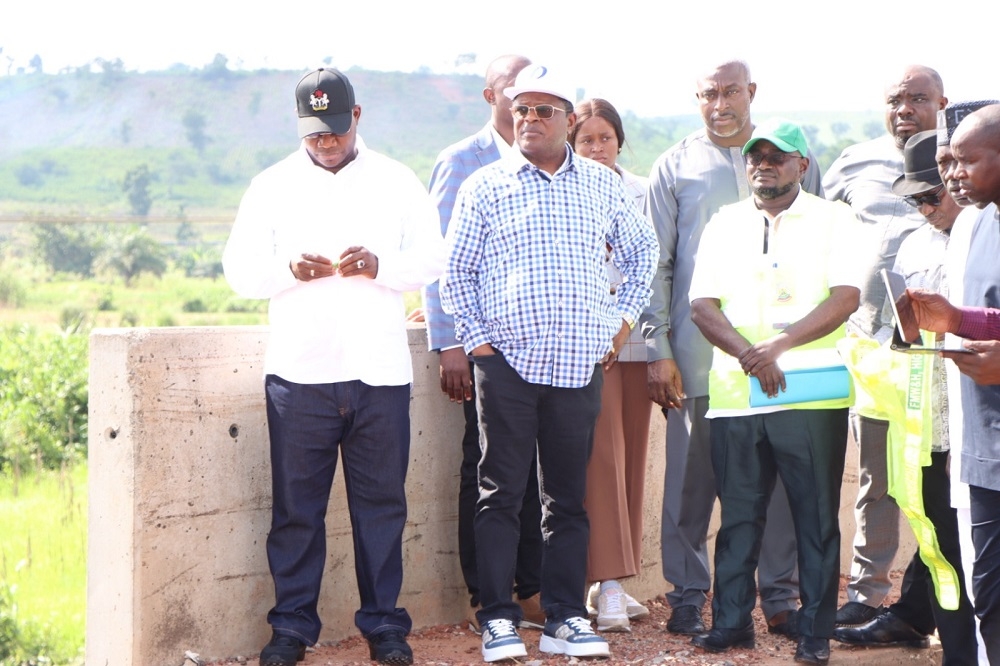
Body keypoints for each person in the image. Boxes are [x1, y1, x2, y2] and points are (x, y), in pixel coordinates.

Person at [222, 68, 446, 666]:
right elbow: (240, 270)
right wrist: (286, 270)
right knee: (297, 512)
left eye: (335, 131)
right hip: (300, 376)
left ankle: (384, 628)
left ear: (358, 117)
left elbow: (432, 258)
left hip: (379, 375)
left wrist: (381, 264)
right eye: (314, 133)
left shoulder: (398, 182)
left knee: (383, 509)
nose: (325, 142)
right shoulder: (269, 186)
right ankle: (292, 629)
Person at [441, 64, 658, 662]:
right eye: (521, 110)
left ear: (569, 119)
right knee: (500, 494)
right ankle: (499, 619)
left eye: (542, 110)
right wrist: (479, 341)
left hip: (577, 366)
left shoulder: (600, 183)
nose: (528, 119)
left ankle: (565, 616)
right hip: (505, 365)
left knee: (566, 498)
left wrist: (619, 321)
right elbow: (456, 272)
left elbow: (644, 253)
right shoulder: (485, 185)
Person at [642, 59, 822, 639]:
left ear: (752, 93)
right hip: (699, 358)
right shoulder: (674, 166)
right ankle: (688, 595)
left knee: (777, 482)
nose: (719, 103)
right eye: (707, 93)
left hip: (778, 358)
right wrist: (659, 348)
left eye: (730, 91)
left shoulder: (790, 158)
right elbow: (658, 265)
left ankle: (779, 597)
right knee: (690, 487)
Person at [688, 119, 861, 665]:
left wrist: (778, 347)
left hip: (809, 394)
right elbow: (701, 305)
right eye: (755, 156)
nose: (763, 163)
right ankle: (733, 623)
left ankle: (814, 631)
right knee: (738, 515)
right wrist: (750, 356)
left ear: (801, 165)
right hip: (738, 395)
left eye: (778, 156)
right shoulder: (724, 223)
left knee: (814, 517)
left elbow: (846, 298)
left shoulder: (835, 219)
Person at [832, 130, 978, 665]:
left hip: (981, 417)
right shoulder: (915, 242)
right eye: (913, 199)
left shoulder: (984, 236)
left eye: (931, 195)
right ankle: (952, 644)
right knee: (940, 539)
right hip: (929, 422)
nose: (924, 207)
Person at [422, 54, 546, 634]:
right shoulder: (461, 161)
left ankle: (529, 588)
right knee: (486, 470)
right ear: (489, 95)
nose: (522, 101)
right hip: (483, 351)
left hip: (540, 349)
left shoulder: (545, 160)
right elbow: (439, 262)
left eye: (532, 93)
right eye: (511, 90)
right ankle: (484, 595)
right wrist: (450, 346)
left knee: (533, 474)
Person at [822, 64, 948, 627]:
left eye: (918, 99)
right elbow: (819, 226)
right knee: (876, 478)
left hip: (942, 351)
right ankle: (867, 594)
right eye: (897, 100)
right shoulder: (854, 161)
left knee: (934, 475)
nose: (906, 110)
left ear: (941, 103)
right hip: (873, 348)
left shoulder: (962, 161)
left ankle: (933, 600)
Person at [908, 104, 1000, 662]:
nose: (952, 175)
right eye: (950, 161)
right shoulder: (974, 222)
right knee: (987, 595)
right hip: (983, 453)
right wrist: (954, 320)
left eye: (967, 161)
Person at [568, 97, 653, 633]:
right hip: (590, 345)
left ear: (619, 140)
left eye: (605, 138)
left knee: (631, 463)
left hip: (637, 340)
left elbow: (653, 264)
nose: (596, 148)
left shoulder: (642, 190)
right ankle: (610, 587)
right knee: (600, 462)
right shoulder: (568, 190)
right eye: (586, 140)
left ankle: (614, 582)